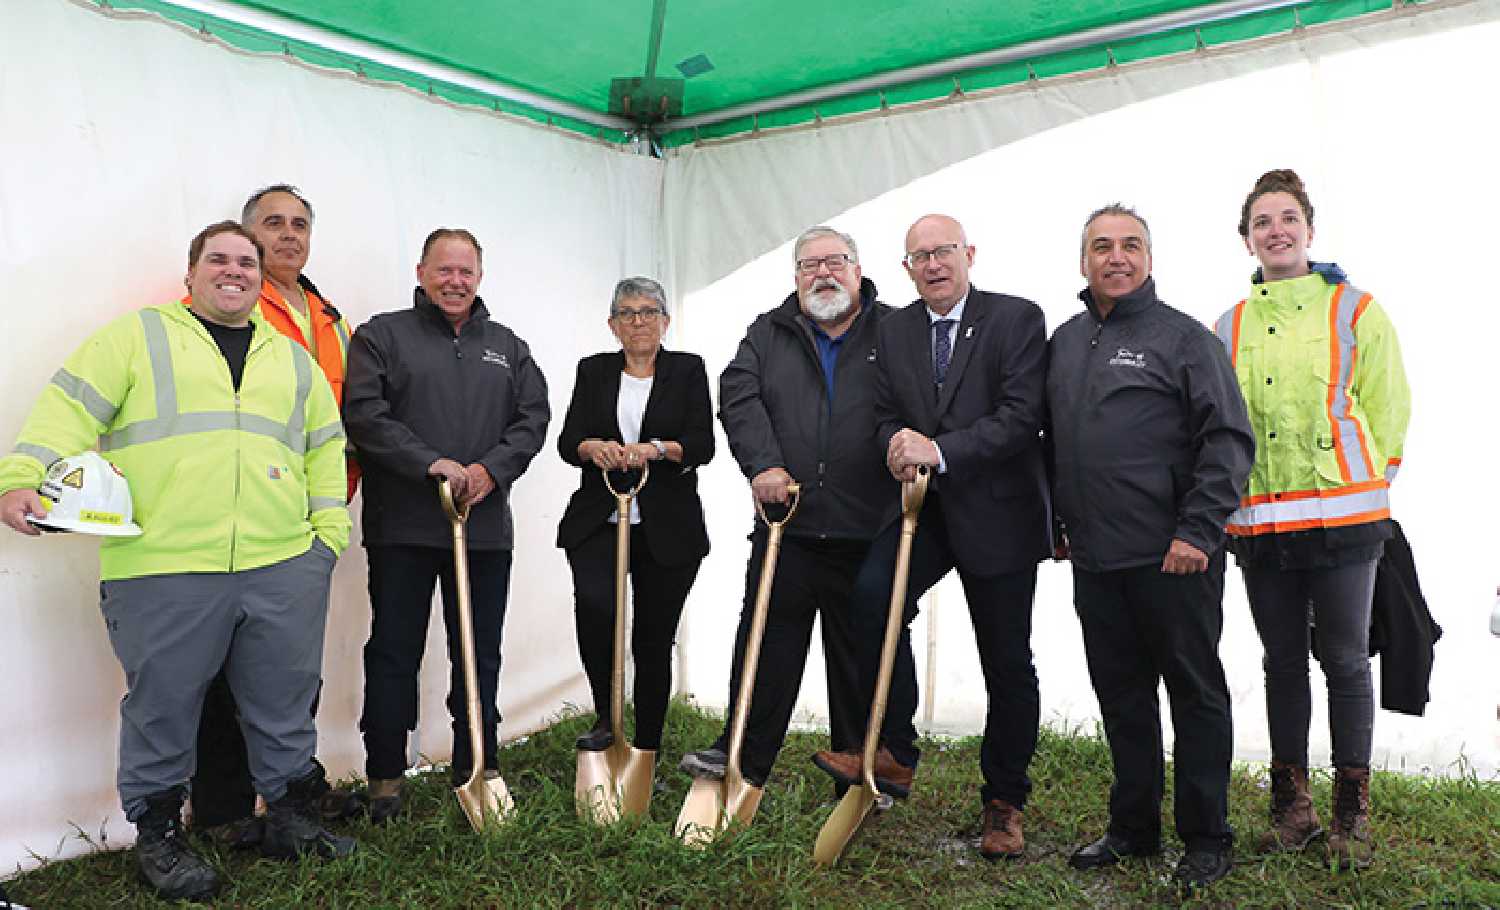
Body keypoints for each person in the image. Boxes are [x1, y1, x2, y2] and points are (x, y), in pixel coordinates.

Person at [0, 221, 354, 901]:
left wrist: (326, 536)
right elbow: (65, 412)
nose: (235, 271)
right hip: (162, 564)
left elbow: (324, 450)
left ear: (261, 278)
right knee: (163, 706)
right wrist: (21, 475)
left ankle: (290, 818)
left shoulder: (292, 359)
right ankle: (159, 835)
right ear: (190, 273)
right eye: (218, 259)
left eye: (246, 262)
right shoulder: (136, 338)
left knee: (283, 701)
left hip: (283, 564)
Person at [813, 214, 1051, 861]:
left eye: (944, 251)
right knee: (871, 596)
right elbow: (886, 410)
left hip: (999, 513)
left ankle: (1004, 802)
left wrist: (939, 449)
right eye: (919, 256)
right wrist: (895, 441)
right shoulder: (894, 331)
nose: (933, 264)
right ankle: (895, 752)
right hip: (928, 510)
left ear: (969, 253)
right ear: (906, 269)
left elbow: (1021, 418)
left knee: (1006, 660)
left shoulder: (1016, 319)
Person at [1048, 204, 1253, 889]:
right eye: (1101, 246)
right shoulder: (1067, 341)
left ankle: (1206, 837)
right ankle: (1133, 828)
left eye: (1130, 245)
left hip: (1174, 558)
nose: (1116, 257)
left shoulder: (1185, 339)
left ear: (1150, 258)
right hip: (1097, 560)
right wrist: (1059, 526)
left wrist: (1197, 532)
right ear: (1083, 262)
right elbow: (1053, 443)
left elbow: (1226, 440)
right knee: (1122, 697)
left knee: (1194, 694)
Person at [1214, 169, 1409, 869]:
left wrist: (1370, 482)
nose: (1277, 231)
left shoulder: (1355, 309)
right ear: (1247, 240)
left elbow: (1389, 407)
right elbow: (1221, 424)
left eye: (1288, 218)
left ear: (1309, 229)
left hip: (1347, 519)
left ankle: (1349, 817)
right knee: (1282, 663)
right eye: (1263, 222)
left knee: (1348, 661)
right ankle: (1289, 809)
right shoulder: (1229, 326)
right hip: (1263, 523)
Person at [344, 228, 549, 824]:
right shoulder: (381, 336)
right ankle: (385, 778)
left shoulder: (507, 347)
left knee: (478, 654)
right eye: (444, 270)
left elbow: (532, 419)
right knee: (393, 652)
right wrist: (426, 462)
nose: (454, 282)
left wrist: (491, 469)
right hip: (404, 527)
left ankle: (477, 768)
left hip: (482, 531)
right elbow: (365, 415)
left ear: (479, 277)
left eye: (466, 272)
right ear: (421, 271)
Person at [678, 226, 894, 789]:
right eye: (808, 265)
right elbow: (738, 395)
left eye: (834, 261)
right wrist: (763, 465)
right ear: (796, 278)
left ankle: (861, 764)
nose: (822, 273)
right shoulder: (768, 332)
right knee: (765, 644)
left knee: (859, 657)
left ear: (857, 267)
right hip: (788, 527)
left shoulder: (896, 329)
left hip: (867, 528)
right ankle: (742, 757)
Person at [192, 184, 361, 845]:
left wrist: (331, 516)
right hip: (236, 522)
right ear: (245, 233)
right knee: (219, 670)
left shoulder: (328, 317)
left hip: (306, 526)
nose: (287, 235)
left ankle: (291, 792)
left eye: (299, 224)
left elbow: (338, 424)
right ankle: (223, 811)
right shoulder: (226, 301)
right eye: (272, 223)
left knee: (289, 672)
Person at [556, 277, 714, 758]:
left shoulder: (687, 370)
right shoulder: (594, 370)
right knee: (597, 608)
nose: (638, 321)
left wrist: (657, 449)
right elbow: (569, 442)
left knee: (653, 634)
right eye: (627, 313)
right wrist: (592, 447)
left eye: (648, 312)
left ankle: (647, 741)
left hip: (668, 525)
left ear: (666, 321)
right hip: (598, 519)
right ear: (612, 324)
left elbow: (703, 445)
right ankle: (608, 716)